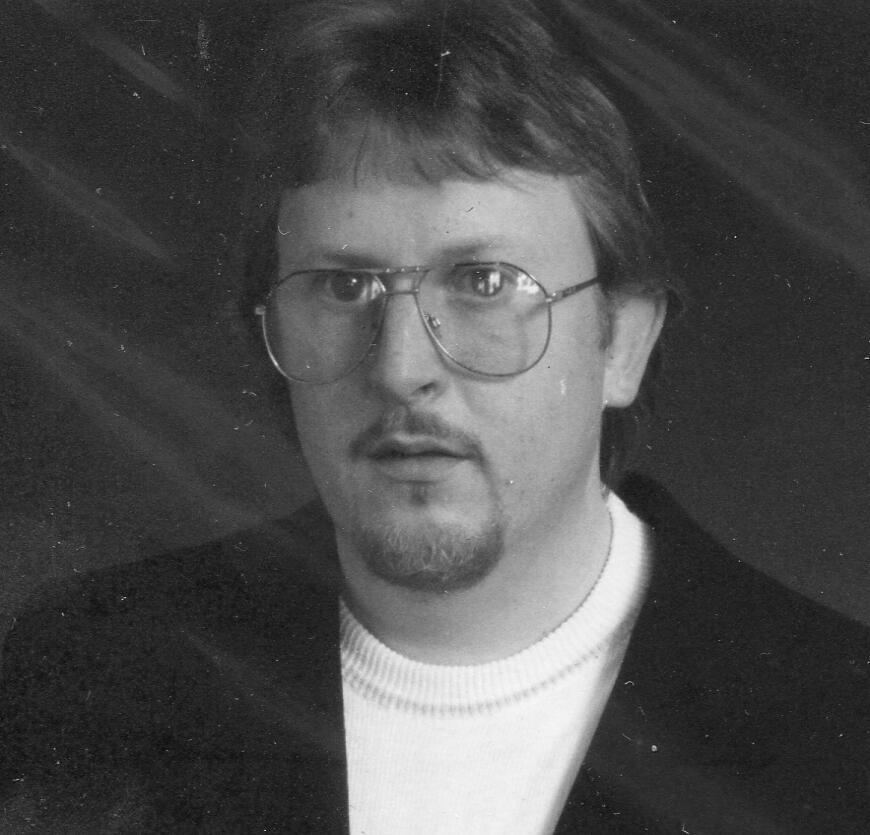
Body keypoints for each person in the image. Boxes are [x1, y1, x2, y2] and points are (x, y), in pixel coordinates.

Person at [1, 1, 867, 831]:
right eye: (343, 285)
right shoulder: (93, 672)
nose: (400, 367)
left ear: (623, 342)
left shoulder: (839, 723)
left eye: (484, 282)